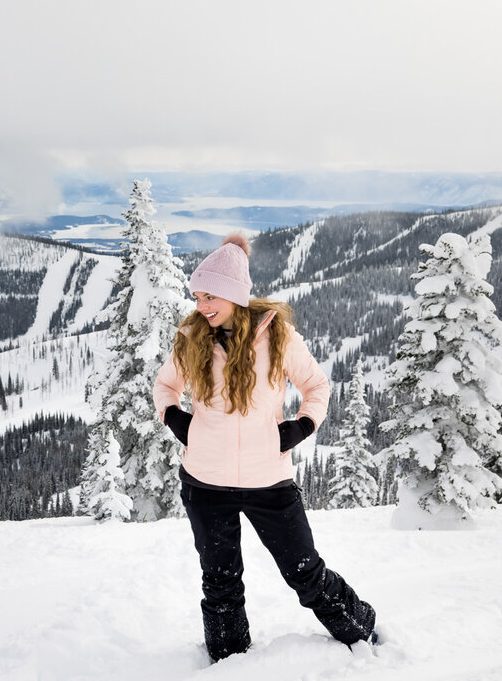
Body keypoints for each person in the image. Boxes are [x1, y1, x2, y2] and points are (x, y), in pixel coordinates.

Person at [153, 233, 377, 662]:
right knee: (220, 582)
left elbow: (316, 385)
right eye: (197, 296)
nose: (201, 305)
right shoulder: (192, 337)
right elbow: (166, 386)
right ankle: (229, 662)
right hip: (205, 482)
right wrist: (176, 418)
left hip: (269, 481)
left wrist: (303, 425)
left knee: (305, 573)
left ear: (235, 295)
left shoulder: (278, 337)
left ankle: (363, 631)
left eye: (210, 296)